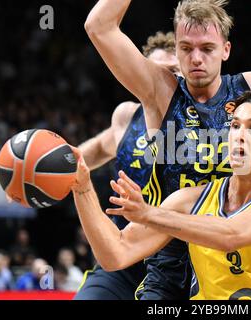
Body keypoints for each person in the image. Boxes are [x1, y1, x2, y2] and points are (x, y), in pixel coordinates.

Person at [84, 0, 251, 299]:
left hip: (237, 256)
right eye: (186, 49)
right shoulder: (160, 90)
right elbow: (99, 27)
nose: (196, 58)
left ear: (225, 50)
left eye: (207, 49)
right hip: (171, 253)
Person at [73, 89, 251, 299]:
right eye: (234, 125)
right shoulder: (189, 200)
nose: (239, 135)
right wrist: (82, 188)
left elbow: (232, 234)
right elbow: (116, 253)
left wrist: (148, 214)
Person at [75, 31, 180, 300]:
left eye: (176, 71)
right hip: (125, 253)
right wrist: (43, 171)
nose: (169, 79)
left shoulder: (202, 124)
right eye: (160, 72)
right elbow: (99, 148)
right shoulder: (126, 115)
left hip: (179, 260)